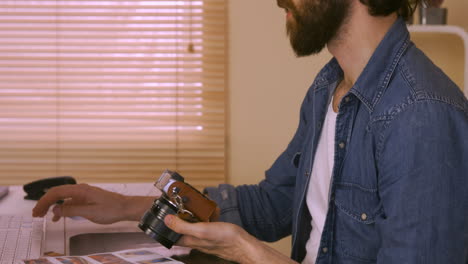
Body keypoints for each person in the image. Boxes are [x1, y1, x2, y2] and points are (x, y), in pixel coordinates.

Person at [33, 0, 468, 263]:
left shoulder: (422, 116)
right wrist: (130, 207)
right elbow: (275, 202)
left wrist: (250, 253)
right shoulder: (328, 87)